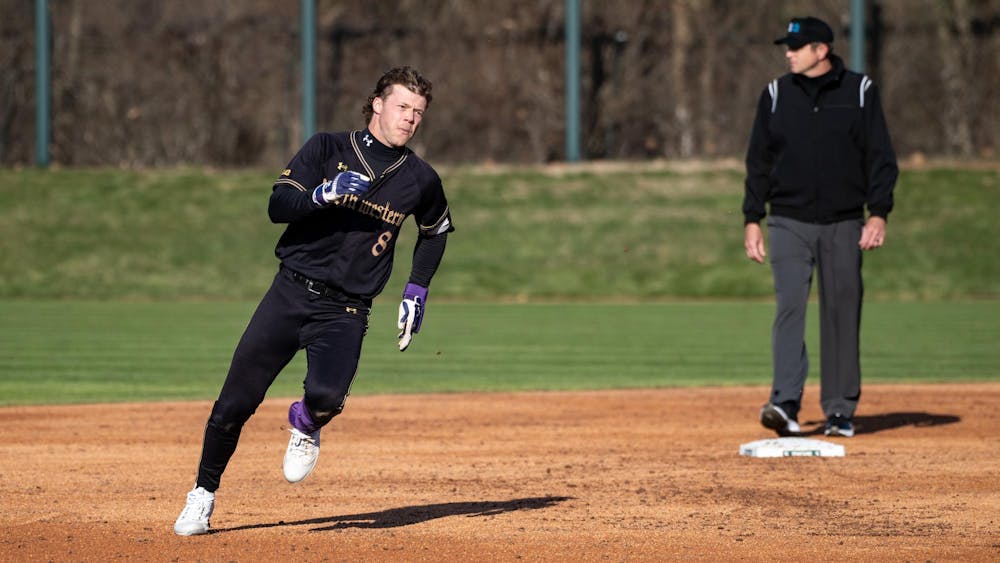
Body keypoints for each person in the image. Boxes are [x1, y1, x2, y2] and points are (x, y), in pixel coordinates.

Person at [174, 66, 453, 536]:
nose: (409, 118)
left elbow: (436, 231)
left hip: (346, 308)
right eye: (403, 106)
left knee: (326, 398)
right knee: (233, 405)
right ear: (378, 104)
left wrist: (416, 289)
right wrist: (322, 194)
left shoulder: (420, 179)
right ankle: (201, 496)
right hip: (290, 292)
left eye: (419, 112)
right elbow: (277, 205)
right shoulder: (326, 148)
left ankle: (306, 421)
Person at [742, 17, 898, 439]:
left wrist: (878, 212)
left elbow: (880, 157)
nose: (788, 53)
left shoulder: (860, 92)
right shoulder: (775, 95)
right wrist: (752, 218)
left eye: (796, 46)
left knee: (841, 312)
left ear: (821, 51)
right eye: (787, 46)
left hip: (844, 221)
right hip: (788, 219)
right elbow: (757, 162)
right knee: (790, 306)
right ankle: (785, 404)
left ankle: (840, 410)